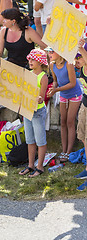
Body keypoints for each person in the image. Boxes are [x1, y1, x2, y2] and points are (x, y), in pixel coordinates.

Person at [0, 8, 47, 128]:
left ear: (13, 21)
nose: (1, 21)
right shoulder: (4, 31)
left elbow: (44, 46)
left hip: (26, 66)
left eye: (4, 19)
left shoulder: (28, 32)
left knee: (7, 70)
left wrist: (43, 62)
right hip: (10, 64)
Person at [46, 47, 82, 162]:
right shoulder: (52, 65)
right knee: (63, 122)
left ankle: (69, 151)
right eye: (49, 51)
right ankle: (63, 149)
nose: (49, 53)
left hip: (74, 94)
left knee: (70, 122)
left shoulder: (68, 64)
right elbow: (55, 80)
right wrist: (54, 87)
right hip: (63, 94)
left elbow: (72, 83)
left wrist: (57, 90)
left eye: (52, 51)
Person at [17, 49, 48, 177]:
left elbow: (42, 96)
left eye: (33, 59)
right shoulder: (28, 74)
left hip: (38, 111)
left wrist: (38, 98)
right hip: (27, 110)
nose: (30, 61)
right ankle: (30, 165)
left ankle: (39, 166)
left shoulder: (43, 77)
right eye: (29, 59)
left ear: (40, 62)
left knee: (40, 140)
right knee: (30, 139)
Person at [75, 39, 87, 191]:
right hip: (85, 104)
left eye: (80, 57)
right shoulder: (82, 67)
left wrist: (80, 47)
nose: (77, 60)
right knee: (84, 138)